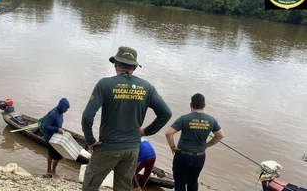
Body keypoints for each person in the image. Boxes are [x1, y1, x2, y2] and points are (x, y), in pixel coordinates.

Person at [81, 46, 172, 191]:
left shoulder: (104, 84)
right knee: (123, 188)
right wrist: (146, 131)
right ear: (134, 67)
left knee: (90, 185)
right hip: (132, 149)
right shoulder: (147, 87)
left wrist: (90, 140)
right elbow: (166, 113)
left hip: (108, 147)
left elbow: (87, 116)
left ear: (116, 64)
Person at [165, 93, 224, 191]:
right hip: (199, 156)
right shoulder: (211, 120)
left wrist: (172, 147)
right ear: (204, 105)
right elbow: (220, 135)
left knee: (180, 182)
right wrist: (206, 145)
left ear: (190, 105)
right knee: (193, 182)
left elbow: (168, 133)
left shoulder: (184, 118)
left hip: (182, 156)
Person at [43, 98, 70, 178]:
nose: (67, 110)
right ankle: (50, 171)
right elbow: (46, 126)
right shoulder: (52, 113)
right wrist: (57, 129)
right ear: (62, 106)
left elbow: (58, 124)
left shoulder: (61, 113)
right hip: (50, 138)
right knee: (56, 155)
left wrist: (60, 129)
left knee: (52, 154)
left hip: (56, 137)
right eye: (66, 108)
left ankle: (51, 171)